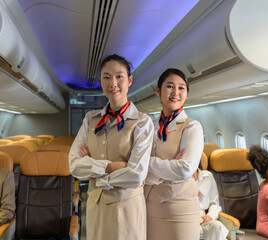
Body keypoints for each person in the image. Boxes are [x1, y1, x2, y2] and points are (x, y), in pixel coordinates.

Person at [69, 54, 154, 240]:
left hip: (126, 209)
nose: (113, 83)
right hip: (95, 206)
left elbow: (137, 174)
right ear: (100, 81)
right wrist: (114, 166)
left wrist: (94, 171)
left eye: (119, 76)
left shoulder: (142, 122)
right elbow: (74, 166)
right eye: (106, 77)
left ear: (130, 80)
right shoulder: (90, 119)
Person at [144, 68, 204, 240]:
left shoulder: (192, 127)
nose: (175, 93)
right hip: (149, 206)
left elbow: (185, 169)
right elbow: (135, 165)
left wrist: (147, 164)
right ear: (158, 90)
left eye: (181, 88)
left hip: (180, 211)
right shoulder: (149, 127)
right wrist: (167, 167)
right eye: (170, 86)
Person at [193, 164, 228, 240]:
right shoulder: (176, 177)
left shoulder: (207, 176)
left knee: (217, 227)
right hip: (184, 218)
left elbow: (214, 203)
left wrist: (210, 215)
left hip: (201, 217)